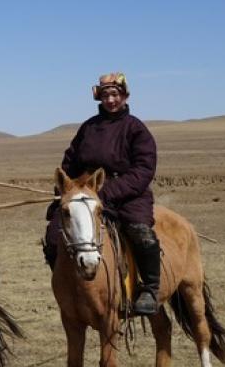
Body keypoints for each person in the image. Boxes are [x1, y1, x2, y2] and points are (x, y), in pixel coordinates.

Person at [44, 72, 161, 315]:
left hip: (126, 194)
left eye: (115, 95)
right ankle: (70, 283)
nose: (110, 100)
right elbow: (70, 162)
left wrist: (108, 191)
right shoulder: (89, 127)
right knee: (54, 235)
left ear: (125, 96)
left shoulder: (135, 129)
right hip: (86, 194)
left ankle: (149, 288)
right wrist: (66, 190)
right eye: (106, 95)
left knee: (141, 233)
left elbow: (143, 169)